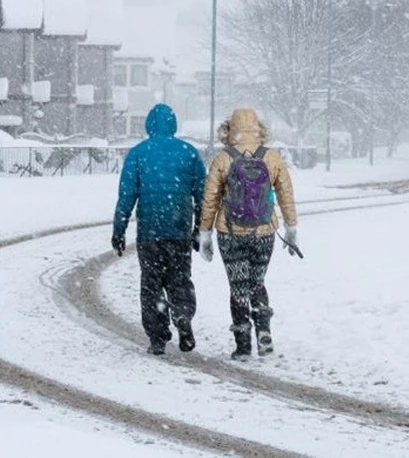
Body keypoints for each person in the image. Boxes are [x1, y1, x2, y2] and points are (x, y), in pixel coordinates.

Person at [196, 108, 298, 360]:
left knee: (238, 287)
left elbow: (210, 199)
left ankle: (242, 345)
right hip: (264, 232)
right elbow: (286, 194)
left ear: (229, 128)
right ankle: (264, 333)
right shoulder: (272, 157)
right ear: (259, 127)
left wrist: (205, 232)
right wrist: (291, 227)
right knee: (257, 283)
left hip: (230, 233)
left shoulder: (223, 158)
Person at [112, 103, 207, 356]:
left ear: (149, 125)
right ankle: (183, 317)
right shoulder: (189, 153)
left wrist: (119, 230)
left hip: (150, 232)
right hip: (179, 230)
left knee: (151, 283)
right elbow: (203, 195)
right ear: (174, 124)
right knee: (179, 280)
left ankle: (157, 335)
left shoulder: (138, 154)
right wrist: (199, 228)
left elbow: (127, 196)